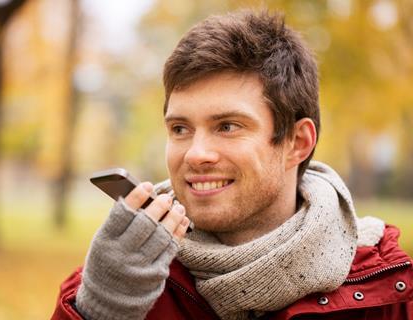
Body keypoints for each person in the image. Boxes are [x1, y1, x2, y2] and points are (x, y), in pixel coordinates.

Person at [52, 9, 413, 320]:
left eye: (227, 126)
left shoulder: (388, 291)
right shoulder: (120, 278)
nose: (195, 154)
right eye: (180, 128)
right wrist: (101, 310)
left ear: (297, 142)